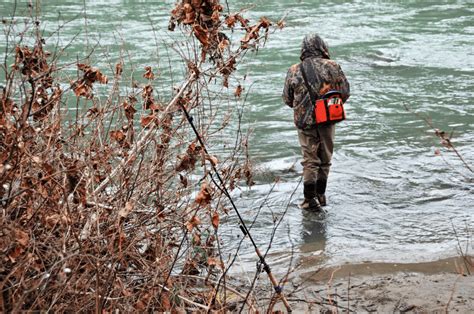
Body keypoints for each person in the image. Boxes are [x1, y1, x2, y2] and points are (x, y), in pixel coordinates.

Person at [283, 34, 350, 211]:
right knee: (325, 158)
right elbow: (345, 92)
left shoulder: (294, 70)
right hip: (328, 119)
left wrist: (303, 106)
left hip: (305, 122)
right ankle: (321, 195)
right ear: (322, 47)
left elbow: (287, 99)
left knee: (310, 160)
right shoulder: (333, 66)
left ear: (303, 50)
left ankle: (309, 200)